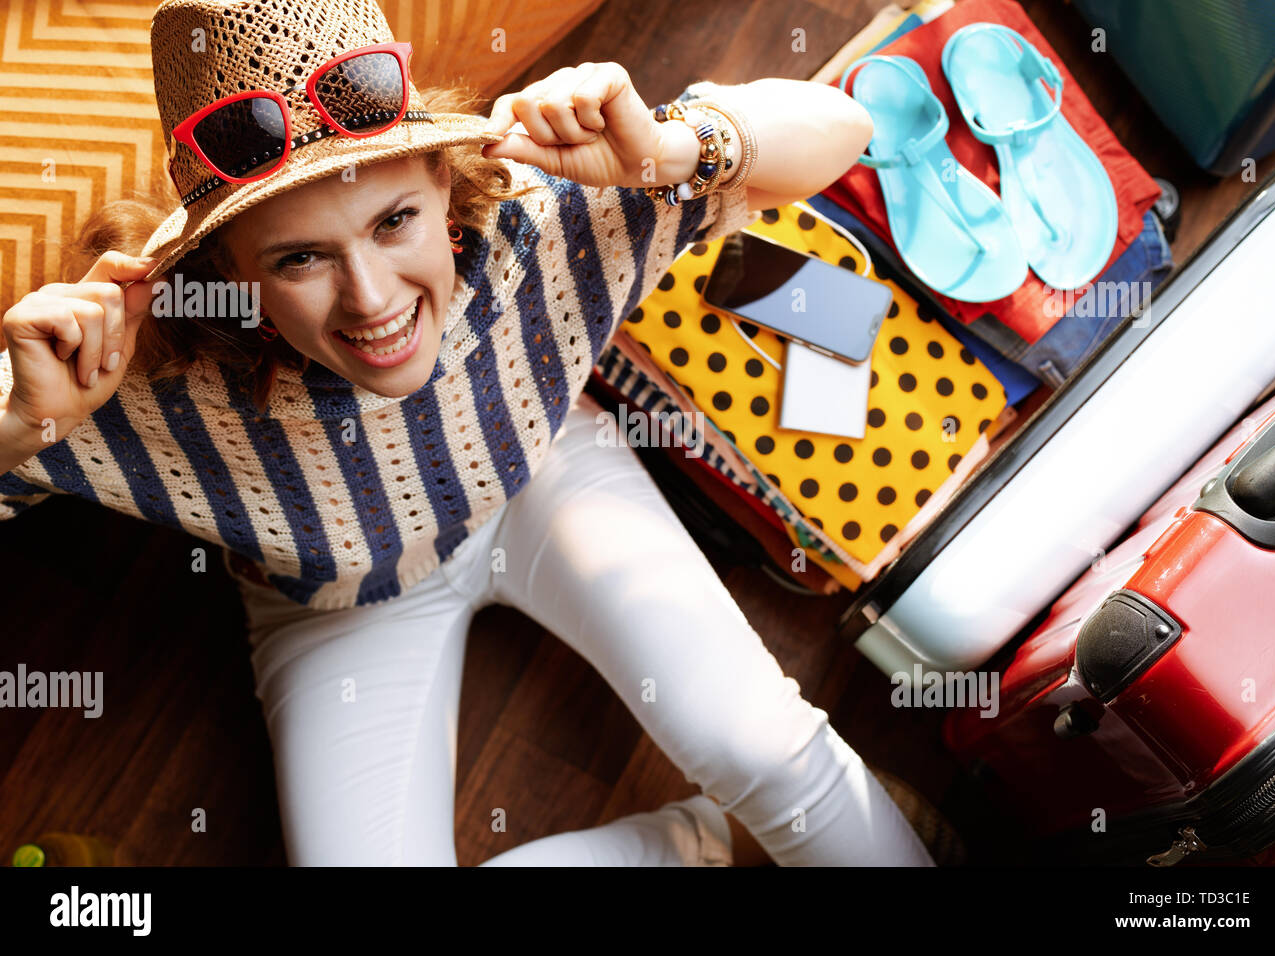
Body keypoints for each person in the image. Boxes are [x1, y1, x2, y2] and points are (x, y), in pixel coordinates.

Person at [0, 0, 935, 866]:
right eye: (300, 259)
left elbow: (843, 130)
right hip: (342, 602)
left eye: (394, 220)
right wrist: (19, 423)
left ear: (445, 191)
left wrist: (670, 150)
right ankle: (688, 844)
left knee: (765, 749)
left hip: (548, 478)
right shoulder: (134, 383)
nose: (372, 300)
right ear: (229, 272)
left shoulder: (542, 224)